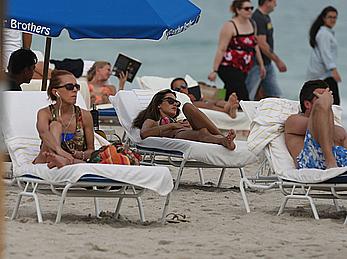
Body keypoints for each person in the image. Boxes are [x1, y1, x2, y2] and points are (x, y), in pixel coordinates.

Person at [132, 89, 236, 150]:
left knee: (187, 107)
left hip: (183, 131)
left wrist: (185, 124)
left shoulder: (174, 120)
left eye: (176, 103)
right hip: (177, 135)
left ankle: (223, 137)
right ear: (159, 104)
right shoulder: (152, 119)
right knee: (202, 132)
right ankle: (223, 140)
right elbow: (144, 133)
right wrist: (172, 126)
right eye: (170, 101)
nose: (175, 105)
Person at [33, 70, 95, 168]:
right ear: (55, 92)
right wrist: (60, 151)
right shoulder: (45, 113)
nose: (75, 90)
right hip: (46, 157)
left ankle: (63, 161)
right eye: (69, 87)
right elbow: (43, 133)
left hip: (72, 159)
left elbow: (91, 151)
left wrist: (77, 154)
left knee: (81, 163)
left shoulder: (85, 116)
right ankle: (56, 158)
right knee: (55, 125)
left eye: (77, 87)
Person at [208, 0, 265, 102]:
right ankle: (244, 113)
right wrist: (214, 71)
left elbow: (255, 45)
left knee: (229, 91)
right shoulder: (230, 26)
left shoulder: (252, 23)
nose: (250, 11)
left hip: (244, 68)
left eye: (251, 8)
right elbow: (221, 49)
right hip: (228, 67)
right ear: (238, 10)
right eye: (246, 8)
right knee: (242, 95)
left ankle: (217, 106)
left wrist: (261, 65)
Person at [284, 80, 347, 170]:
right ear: (307, 104)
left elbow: (338, 133)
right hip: (311, 163)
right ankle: (330, 161)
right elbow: (319, 124)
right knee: (321, 106)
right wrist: (322, 103)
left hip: (341, 160)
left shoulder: (335, 128)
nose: (327, 100)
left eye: (328, 97)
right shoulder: (293, 120)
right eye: (321, 97)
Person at [245, 0, 287, 100]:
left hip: (267, 63)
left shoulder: (266, 17)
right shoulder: (258, 18)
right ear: (267, 2)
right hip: (256, 64)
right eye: (274, 2)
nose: (275, 4)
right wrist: (278, 61)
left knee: (275, 95)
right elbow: (261, 44)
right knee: (249, 94)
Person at [307, 6, 341, 105]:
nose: (332, 20)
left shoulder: (326, 32)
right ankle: (333, 120)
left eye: (335, 17)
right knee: (334, 103)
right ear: (324, 18)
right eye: (330, 17)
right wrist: (333, 69)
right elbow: (325, 53)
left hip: (323, 74)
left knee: (326, 102)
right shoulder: (324, 34)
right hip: (323, 74)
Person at [171, 77, 239, 118]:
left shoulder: (192, 93)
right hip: (190, 105)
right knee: (207, 104)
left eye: (183, 86)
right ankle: (226, 110)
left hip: (199, 101)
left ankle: (230, 106)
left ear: (187, 86)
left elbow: (201, 98)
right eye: (177, 89)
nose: (181, 89)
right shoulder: (176, 97)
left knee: (216, 101)